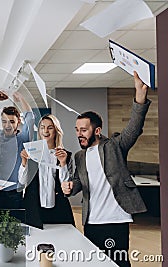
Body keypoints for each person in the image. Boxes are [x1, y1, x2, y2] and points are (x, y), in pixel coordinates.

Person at [61, 71, 149, 267]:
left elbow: (134, 127)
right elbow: (79, 182)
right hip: (91, 221)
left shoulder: (114, 146)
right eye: (77, 130)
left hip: (115, 220)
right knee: (94, 263)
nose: (79, 134)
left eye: (83, 130)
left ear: (97, 130)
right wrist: (70, 187)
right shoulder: (79, 156)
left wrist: (140, 96)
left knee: (118, 263)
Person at [19, 114, 74, 227]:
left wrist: (63, 163)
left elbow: (66, 186)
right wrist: (24, 162)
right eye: (42, 127)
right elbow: (22, 181)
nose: (45, 131)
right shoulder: (31, 152)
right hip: (33, 208)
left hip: (59, 209)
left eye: (50, 127)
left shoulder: (65, 155)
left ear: (56, 130)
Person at [0, 91, 35, 211]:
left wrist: (21, 98)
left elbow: (30, 118)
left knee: (15, 226)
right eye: (4, 121)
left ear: (18, 122)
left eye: (12, 121)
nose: (7, 125)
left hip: (15, 192)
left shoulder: (23, 138)